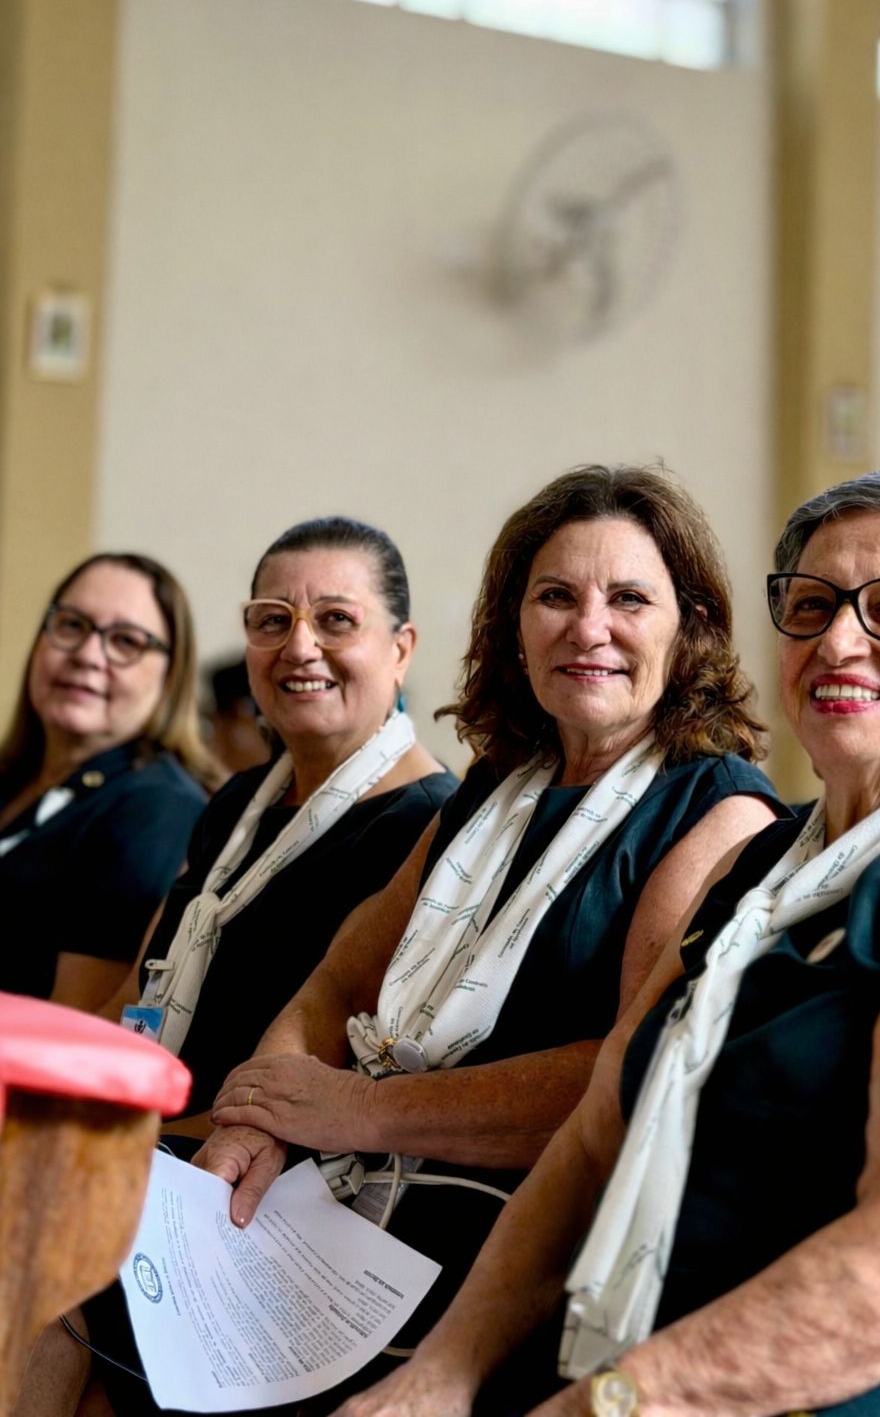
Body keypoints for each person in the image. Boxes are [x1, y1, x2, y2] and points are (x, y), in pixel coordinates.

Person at [340, 468, 880, 1417]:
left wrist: (612, 1403)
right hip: (632, 1360)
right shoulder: (761, 864)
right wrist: (440, 1376)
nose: (838, 640)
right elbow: (593, 1142)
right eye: (812, 606)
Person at [185, 463, 785, 1416]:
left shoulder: (720, 815)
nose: (588, 627)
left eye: (629, 599)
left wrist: (360, 1111)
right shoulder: (492, 789)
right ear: (515, 624)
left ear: (692, 628)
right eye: (556, 597)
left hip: (517, 1253)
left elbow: (627, 1077)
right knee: (81, 1300)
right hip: (354, 1199)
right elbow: (339, 982)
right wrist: (256, 1119)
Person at [16, 514, 457, 1417]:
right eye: (271, 620)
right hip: (151, 1154)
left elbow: (340, 1086)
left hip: (257, 1196)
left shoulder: (426, 829)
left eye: (336, 620)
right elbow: (134, 996)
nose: (300, 647)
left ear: (401, 647)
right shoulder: (237, 804)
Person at [0, 552, 219, 1009]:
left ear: (171, 674)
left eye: (125, 641)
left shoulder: (157, 810)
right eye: (72, 625)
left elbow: (80, 1025)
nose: (87, 656)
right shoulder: (15, 777)